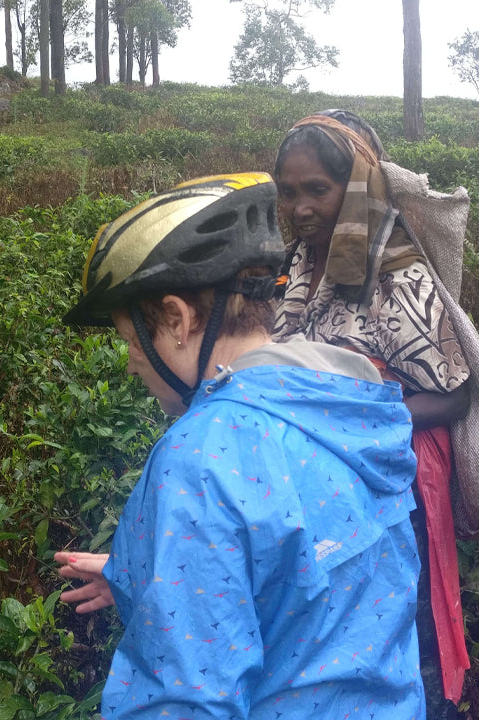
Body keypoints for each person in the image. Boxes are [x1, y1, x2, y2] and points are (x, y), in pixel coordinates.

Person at [54, 173, 426, 720]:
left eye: (133, 342)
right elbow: (306, 562)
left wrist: (181, 561)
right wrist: (153, 570)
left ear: (179, 321)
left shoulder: (201, 458)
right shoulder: (349, 403)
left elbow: (186, 699)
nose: (132, 363)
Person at [272, 110, 479, 719]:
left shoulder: (397, 270)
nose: (301, 207)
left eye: (318, 189)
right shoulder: (304, 264)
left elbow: (453, 394)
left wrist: (357, 413)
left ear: (358, 185)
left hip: (396, 483)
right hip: (331, 475)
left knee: (399, 619)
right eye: (289, 192)